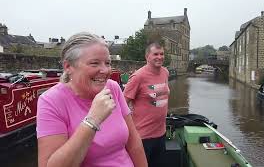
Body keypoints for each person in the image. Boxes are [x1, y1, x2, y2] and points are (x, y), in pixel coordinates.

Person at [36, 32, 147, 167]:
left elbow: (133, 142)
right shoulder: (51, 101)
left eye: (108, 63)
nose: (105, 70)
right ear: (68, 67)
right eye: (94, 63)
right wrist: (93, 120)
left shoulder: (112, 88)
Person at [123, 42, 170, 167]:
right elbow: (122, 103)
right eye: (155, 54)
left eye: (162, 54)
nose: (159, 57)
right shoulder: (138, 76)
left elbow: (162, 96)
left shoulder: (165, 72)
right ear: (147, 56)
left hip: (161, 133)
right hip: (142, 137)